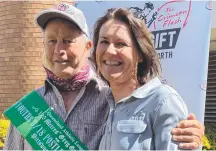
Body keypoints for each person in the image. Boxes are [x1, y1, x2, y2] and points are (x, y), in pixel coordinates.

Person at [4, 3, 204, 150]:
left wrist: (190, 137)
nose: (59, 50)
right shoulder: (28, 108)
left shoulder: (108, 98)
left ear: (88, 47)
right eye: (51, 41)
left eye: (67, 40)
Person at [90, 7, 203, 150]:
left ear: (140, 54)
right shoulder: (104, 103)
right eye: (104, 41)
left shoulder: (162, 101)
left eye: (120, 44)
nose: (110, 51)